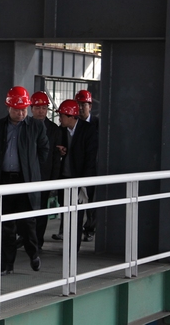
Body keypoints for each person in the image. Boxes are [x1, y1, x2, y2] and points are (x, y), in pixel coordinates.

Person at [0, 86, 49, 275]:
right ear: (8, 107)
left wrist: (31, 168)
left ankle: (33, 253)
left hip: (25, 182)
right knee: (5, 225)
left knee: (27, 223)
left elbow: (44, 151)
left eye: (24, 110)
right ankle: (7, 264)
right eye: (17, 110)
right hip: (4, 181)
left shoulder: (36, 126)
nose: (21, 113)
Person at [54, 99, 98, 252]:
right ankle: (68, 246)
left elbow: (90, 159)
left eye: (62, 116)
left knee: (77, 216)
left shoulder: (88, 130)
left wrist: (84, 184)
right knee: (66, 214)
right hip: (64, 180)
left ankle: (73, 248)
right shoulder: (60, 131)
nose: (60, 119)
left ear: (71, 116)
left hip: (80, 180)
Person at [28, 91, 63, 250]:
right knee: (26, 209)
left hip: (44, 176)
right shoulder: (25, 126)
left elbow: (56, 158)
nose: (41, 111)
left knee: (41, 211)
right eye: (38, 108)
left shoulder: (54, 130)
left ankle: (37, 241)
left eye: (44, 108)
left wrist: (53, 181)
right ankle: (26, 238)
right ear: (31, 108)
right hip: (27, 176)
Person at [75, 89, 98, 242]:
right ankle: (67, 229)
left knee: (91, 200)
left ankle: (90, 229)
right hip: (77, 169)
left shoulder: (98, 124)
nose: (81, 108)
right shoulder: (73, 122)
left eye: (84, 104)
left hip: (93, 168)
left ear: (90, 106)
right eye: (78, 104)